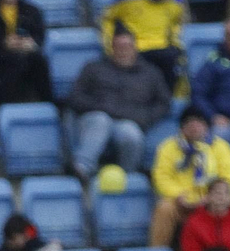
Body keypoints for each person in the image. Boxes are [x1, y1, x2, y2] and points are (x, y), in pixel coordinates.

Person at [66, 28, 170, 184]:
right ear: (112, 48)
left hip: (128, 120)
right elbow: (75, 97)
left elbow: (163, 102)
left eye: (127, 46)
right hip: (95, 118)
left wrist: (146, 117)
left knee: (131, 134)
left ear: (135, 47)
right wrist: (98, 107)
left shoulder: (150, 73)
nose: (123, 51)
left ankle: (127, 178)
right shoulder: (94, 68)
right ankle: (81, 169)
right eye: (119, 46)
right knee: (101, 120)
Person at [149, 107, 230, 247]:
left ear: (206, 126)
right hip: (180, 202)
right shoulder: (168, 147)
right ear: (181, 127)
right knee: (164, 209)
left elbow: (229, 176)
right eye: (189, 123)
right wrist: (179, 196)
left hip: (211, 199)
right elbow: (161, 177)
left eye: (198, 123)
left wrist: (212, 196)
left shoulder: (220, 146)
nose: (194, 127)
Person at [102, 0, 187, 93]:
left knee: (176, 60)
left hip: (162, 47)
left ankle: (170, 102)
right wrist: (109, 45)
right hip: (136, 47)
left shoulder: (176, 1)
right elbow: (107, 19)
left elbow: (176, 24)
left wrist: (174, 41)